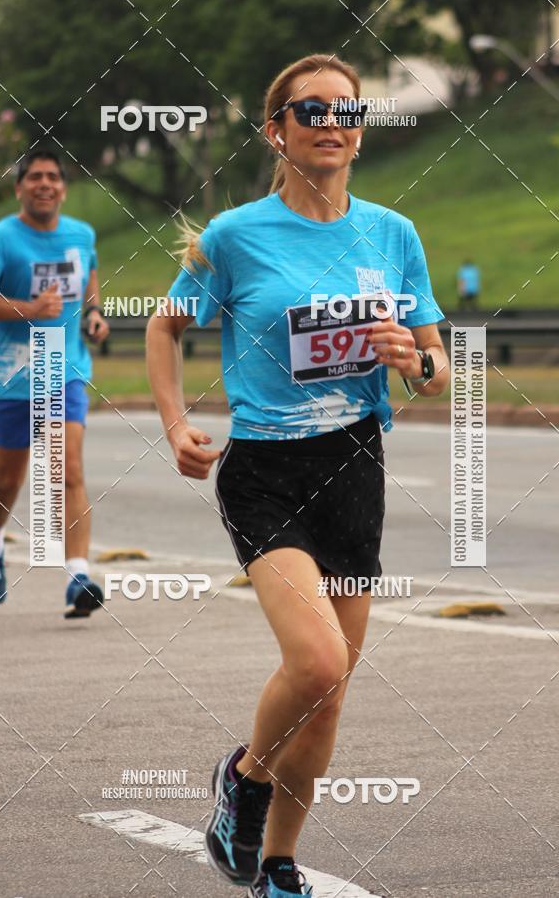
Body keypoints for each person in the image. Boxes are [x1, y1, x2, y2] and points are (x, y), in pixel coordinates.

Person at [146, 54, 450, 898]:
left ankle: (277, 864)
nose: (330, 122)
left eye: (346, 110)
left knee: (331, 695)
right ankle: (242, 779)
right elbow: (165, 327)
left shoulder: (393, 232)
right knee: (316, 662)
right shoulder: (237, 236)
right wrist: (175, 423)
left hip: (354, 468)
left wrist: (414, 362)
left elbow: (437, 365)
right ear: (276, 130)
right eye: (309, 110)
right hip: (266, 471)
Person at [0, 149, 110, 618]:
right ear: (20, 188)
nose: (44, 184)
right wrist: (29, 309)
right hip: (10, 376)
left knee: (68, 470)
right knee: (10, 479)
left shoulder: (81, 234)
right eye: (35, 177)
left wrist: (93, 313)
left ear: (63, 189)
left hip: (63, 369)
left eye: (52, 177)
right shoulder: (0, 239)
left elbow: (88, 275)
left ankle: (78, 576)